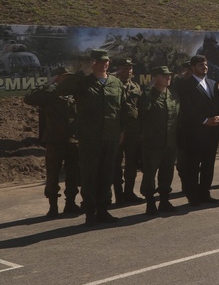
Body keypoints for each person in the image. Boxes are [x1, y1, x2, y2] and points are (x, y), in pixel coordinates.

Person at [55, 49, 125, 225]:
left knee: (106, 174)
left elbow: (122, 109)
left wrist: (122, 131)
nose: (103, 65)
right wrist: (81, 72)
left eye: (106, 61)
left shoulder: (116, 83)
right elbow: (61, 90)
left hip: (111, 136)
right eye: (99, 62)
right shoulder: (82, 82)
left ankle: (103, 210)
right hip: (90, 137)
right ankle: (90, 211)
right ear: (92, 63)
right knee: (89, 175)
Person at [24, 67, 81, 217]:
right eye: (64, 76)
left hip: (72, 141)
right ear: (57, 78)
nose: (67, 79)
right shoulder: (49, 94)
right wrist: (46, 84)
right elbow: (28, 98)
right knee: (53, 175)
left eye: (69, 76)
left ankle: (70, 203)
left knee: (73, 174)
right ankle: (53, 206)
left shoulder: (73, 94)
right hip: (54, 141)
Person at [176, 54, 219, 207]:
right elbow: (187, 108)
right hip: (194, 132)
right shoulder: (186, 85)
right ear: (193, 67)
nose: (205, 67)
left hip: (212, 131)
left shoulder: (212, 83)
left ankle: (205, 193)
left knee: (208, 164)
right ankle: (193, 195)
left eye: (206, 64)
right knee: (193, 165)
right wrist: (204, 120)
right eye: (201, 65)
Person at [137, 66, 179, 215]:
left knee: (167, 172)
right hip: (152, 143)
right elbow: (142, 110)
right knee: (149, 174)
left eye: (169, 75)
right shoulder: (147, 95)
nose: (168, 78)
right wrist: (148, 91)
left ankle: (164, 201)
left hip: (170, 142)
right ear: (155, 77)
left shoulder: (173, 95)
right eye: (164, 75)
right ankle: (150, 203)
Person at [112, 57, 143, 206]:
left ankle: (129, 192)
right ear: (117, 69)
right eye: (124, 68)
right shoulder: (112, 85)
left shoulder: (136, 86)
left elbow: (140, 107)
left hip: (133, 131)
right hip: (116, 131)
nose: (128, 71)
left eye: (130, 68)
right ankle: (119, 195)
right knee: (116, 164)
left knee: (132, 163)